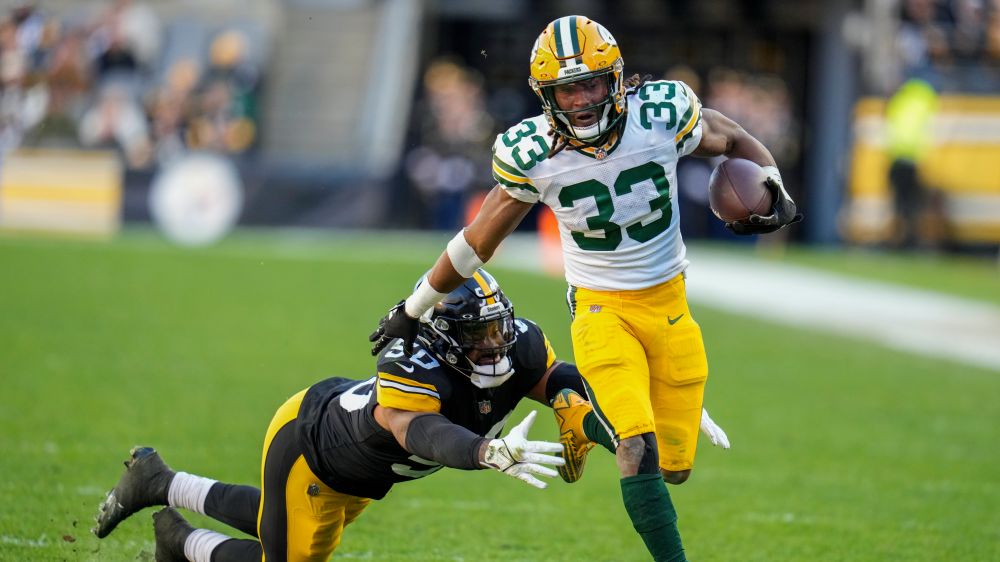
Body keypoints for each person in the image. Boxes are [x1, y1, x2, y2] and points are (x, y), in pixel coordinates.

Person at [369, 15, 799, 562]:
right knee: (633, 446)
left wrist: (771, 181)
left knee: (676, 468)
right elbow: (477, 242)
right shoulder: (537, 153)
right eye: (567, 89)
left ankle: (577, 414)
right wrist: (415, 306)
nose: (582, 99)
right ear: (546, 96)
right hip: (599, 309)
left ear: (616, 79)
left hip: (669, 305)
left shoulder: (662, 115)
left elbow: (733, 137)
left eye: (592, 83)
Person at [93, 269, 587, 561]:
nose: (496, 344)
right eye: (479, 337)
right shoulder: (411, 365)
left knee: (284, 519)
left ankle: (159, 482)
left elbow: (553, 377)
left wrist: (588, 413)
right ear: (441, 336)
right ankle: (181, 542)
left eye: (497, 329)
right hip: (313, 450)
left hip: (359, 473)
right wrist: (483, 451)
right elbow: (416, 429)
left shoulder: (518, 344)